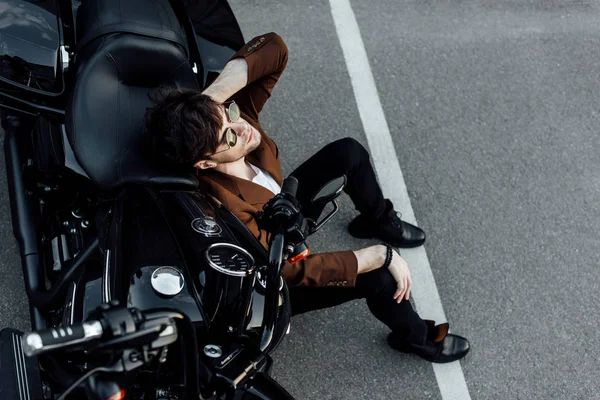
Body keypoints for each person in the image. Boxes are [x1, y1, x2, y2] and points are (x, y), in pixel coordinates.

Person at [144, 32, 470, 363]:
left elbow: (275, 49)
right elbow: (287, 270)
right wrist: (376, 256)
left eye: (230, 113)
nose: (241, 128)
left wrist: (212, 101)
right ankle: (416, 338)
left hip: (285, 205)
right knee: (380, 276)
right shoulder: (224, 208)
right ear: (205, 164)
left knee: (348, 153)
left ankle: (377, 219)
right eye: (228, 136)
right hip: (279, 273)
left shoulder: (236, 123)